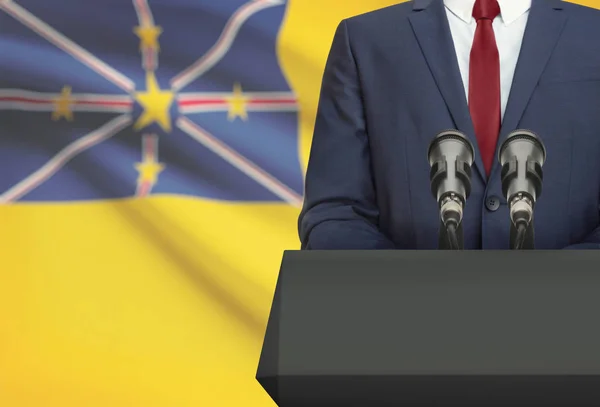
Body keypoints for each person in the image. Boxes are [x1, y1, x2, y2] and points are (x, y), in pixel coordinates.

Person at [298, 0, 600, 250]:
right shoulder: (366, 41)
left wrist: (558, 285)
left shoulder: (592, 34)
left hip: (572, 314)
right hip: (403, 315)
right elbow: (335, 213)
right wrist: (415, 291)